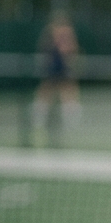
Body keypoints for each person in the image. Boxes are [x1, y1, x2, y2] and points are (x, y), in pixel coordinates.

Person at [31, 12, 81, 146]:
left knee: (67, 90)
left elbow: (71, 48)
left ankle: (69, 120)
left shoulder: (61, 31)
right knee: (47, 90)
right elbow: (67, 48)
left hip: (61, 64)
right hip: (55, 63)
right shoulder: (55, 32)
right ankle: (39, 120)